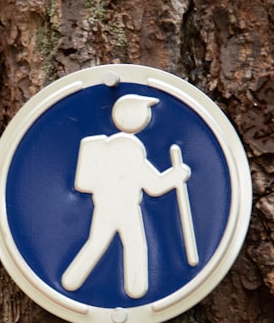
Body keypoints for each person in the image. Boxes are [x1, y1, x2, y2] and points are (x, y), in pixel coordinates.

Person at [61, 94, 191, 298]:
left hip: (103, 206)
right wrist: (177, 175)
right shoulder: (131, 150)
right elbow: (154, 186)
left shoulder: (102, 148)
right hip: (127, 208)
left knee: (96, 243)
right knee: (135, 245)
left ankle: (70, 280)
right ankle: (137, 289)